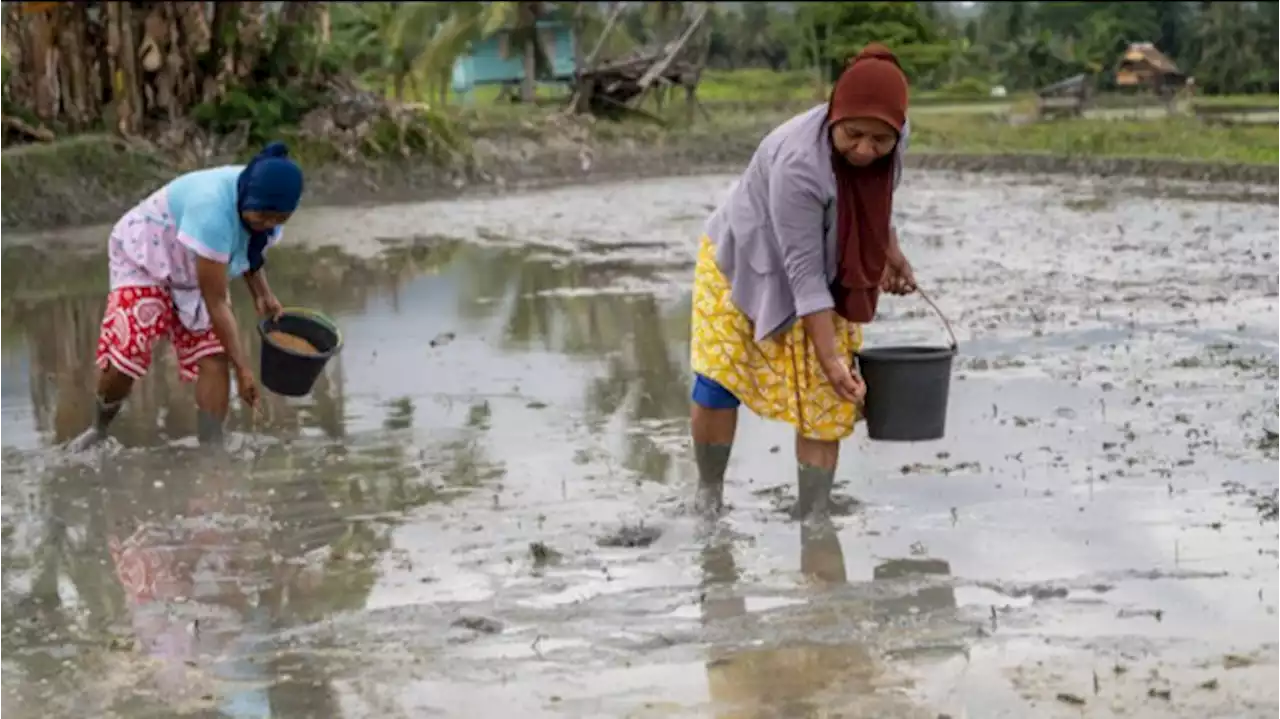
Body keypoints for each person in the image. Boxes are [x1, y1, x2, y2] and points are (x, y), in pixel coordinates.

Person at [689, 44, 917, 520]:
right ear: (834, 114)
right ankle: (708, 497)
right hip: (744, 258)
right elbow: (803, 275)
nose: (865, 150)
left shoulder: (896, 135)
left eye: (880, 141)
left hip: (824, 265)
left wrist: (891, 252)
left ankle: (814, 516)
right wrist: (830, 356)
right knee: (719, 378)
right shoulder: (799, 163)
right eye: (853, 135)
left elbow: (876, 202)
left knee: (826, 396)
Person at [69, 141, 304, 450]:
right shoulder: (212, 211)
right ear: (249, 196)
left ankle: (212, 445)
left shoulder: (263, 203)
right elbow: (216, 303)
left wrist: (263, 293)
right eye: (263, 216)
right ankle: (98, 429)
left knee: (215, 354)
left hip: (196, 268)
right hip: (147, 259)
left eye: (279, 219)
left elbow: (248, 244)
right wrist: (244, 369)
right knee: (129, 350)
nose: (269, 224)